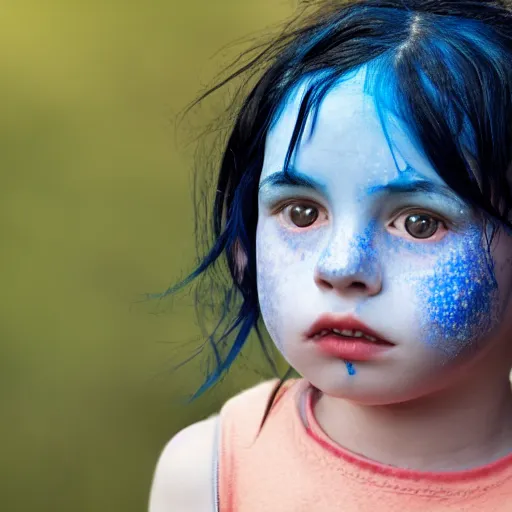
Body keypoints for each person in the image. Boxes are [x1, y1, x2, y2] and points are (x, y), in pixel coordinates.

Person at [149, 0, 512, 510]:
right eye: (300, 214)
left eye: (419, 223)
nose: (340, 267)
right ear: (243, 243)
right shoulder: (208, 473)